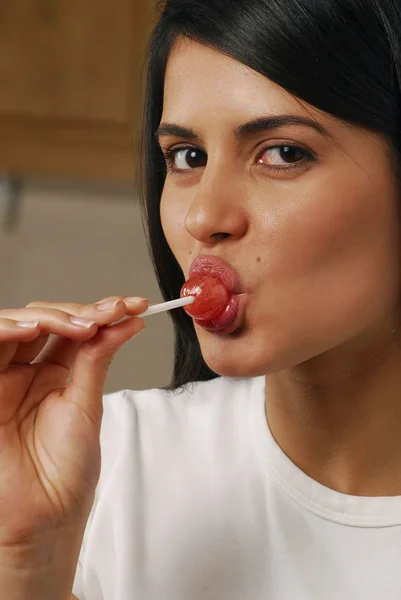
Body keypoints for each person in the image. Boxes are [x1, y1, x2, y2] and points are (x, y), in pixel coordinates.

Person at [1, 0, 401, 598]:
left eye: (284, 153)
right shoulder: (96, 471)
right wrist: (26, 560)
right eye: (186, 158)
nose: (202, 216)